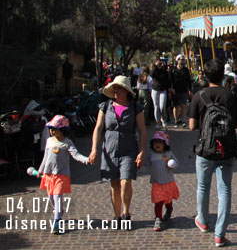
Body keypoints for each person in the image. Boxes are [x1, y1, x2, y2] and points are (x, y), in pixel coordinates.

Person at [188, 59, 237, 247]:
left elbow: (191, 126)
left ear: (205, 76)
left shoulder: (199, 95)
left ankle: (203, 221)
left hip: (205, 148)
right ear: (223, 76)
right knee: (225, 189)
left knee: (203, 186)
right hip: (227, 149)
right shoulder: (231, 96)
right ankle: (220, 233)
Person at [89, 75, 146, 226]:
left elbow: (142, 130)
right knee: (114, 184)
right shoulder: (105, 106)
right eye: (114, 88)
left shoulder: (135, 107)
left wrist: (142, 151)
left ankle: (126, 213)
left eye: (119, 88)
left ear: (126, 91)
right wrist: (94, 149)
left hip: (129, 149)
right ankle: (117, 216)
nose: (116, 91)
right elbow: (98, 128)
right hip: (109, 150)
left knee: (125, 181)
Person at [38, 115, 90, 234]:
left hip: (61, 174)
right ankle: (58, 211)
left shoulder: (67, 142)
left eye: (54, 129)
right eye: (51, 128)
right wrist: (41, 169)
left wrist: (87, 159)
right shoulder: (49, 141)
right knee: (51, 198)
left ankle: (57, 221)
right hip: (49, 175)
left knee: (57, 196)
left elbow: (76, 155)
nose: (51, 131)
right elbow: (46, 157)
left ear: (62, 130)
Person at [146, 131, 180, 232]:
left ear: (165, 144)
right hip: (157, 182)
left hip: (168, 181)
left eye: (160, 142)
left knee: (168, 199)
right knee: (158, 201)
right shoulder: (151, 155)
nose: (157, 144)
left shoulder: (169, 154)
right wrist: (139, 166)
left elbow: (176, 163)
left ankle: (169, 209)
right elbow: (146, 165)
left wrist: (172, 166)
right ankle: (158, 218)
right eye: (155, 142)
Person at [169, 54, 192, 128]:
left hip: (184, 90)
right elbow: (170, 80)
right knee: (176, 106)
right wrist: (171, 88)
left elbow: (189, 81)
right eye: (181, 59)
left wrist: (190, 90)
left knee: (184, 105)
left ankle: (183, 121)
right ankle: (176, 121)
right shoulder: (172, 69)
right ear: (177, 60)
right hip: (175, 90)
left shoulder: (186, 70)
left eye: (183, 59)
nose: (182, 61)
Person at [151, 58, 170, 128]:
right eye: (158, 63)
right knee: (156, 107)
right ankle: (158, 122)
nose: (160, 64)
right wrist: (156, 66)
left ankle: (163, 119)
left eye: (160, 63)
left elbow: (167, 80)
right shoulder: (154, 70)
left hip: (163, 90)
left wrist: (169, 90)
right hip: (155, 89)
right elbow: (151, 74)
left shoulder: (164, 70)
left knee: (162, 107)